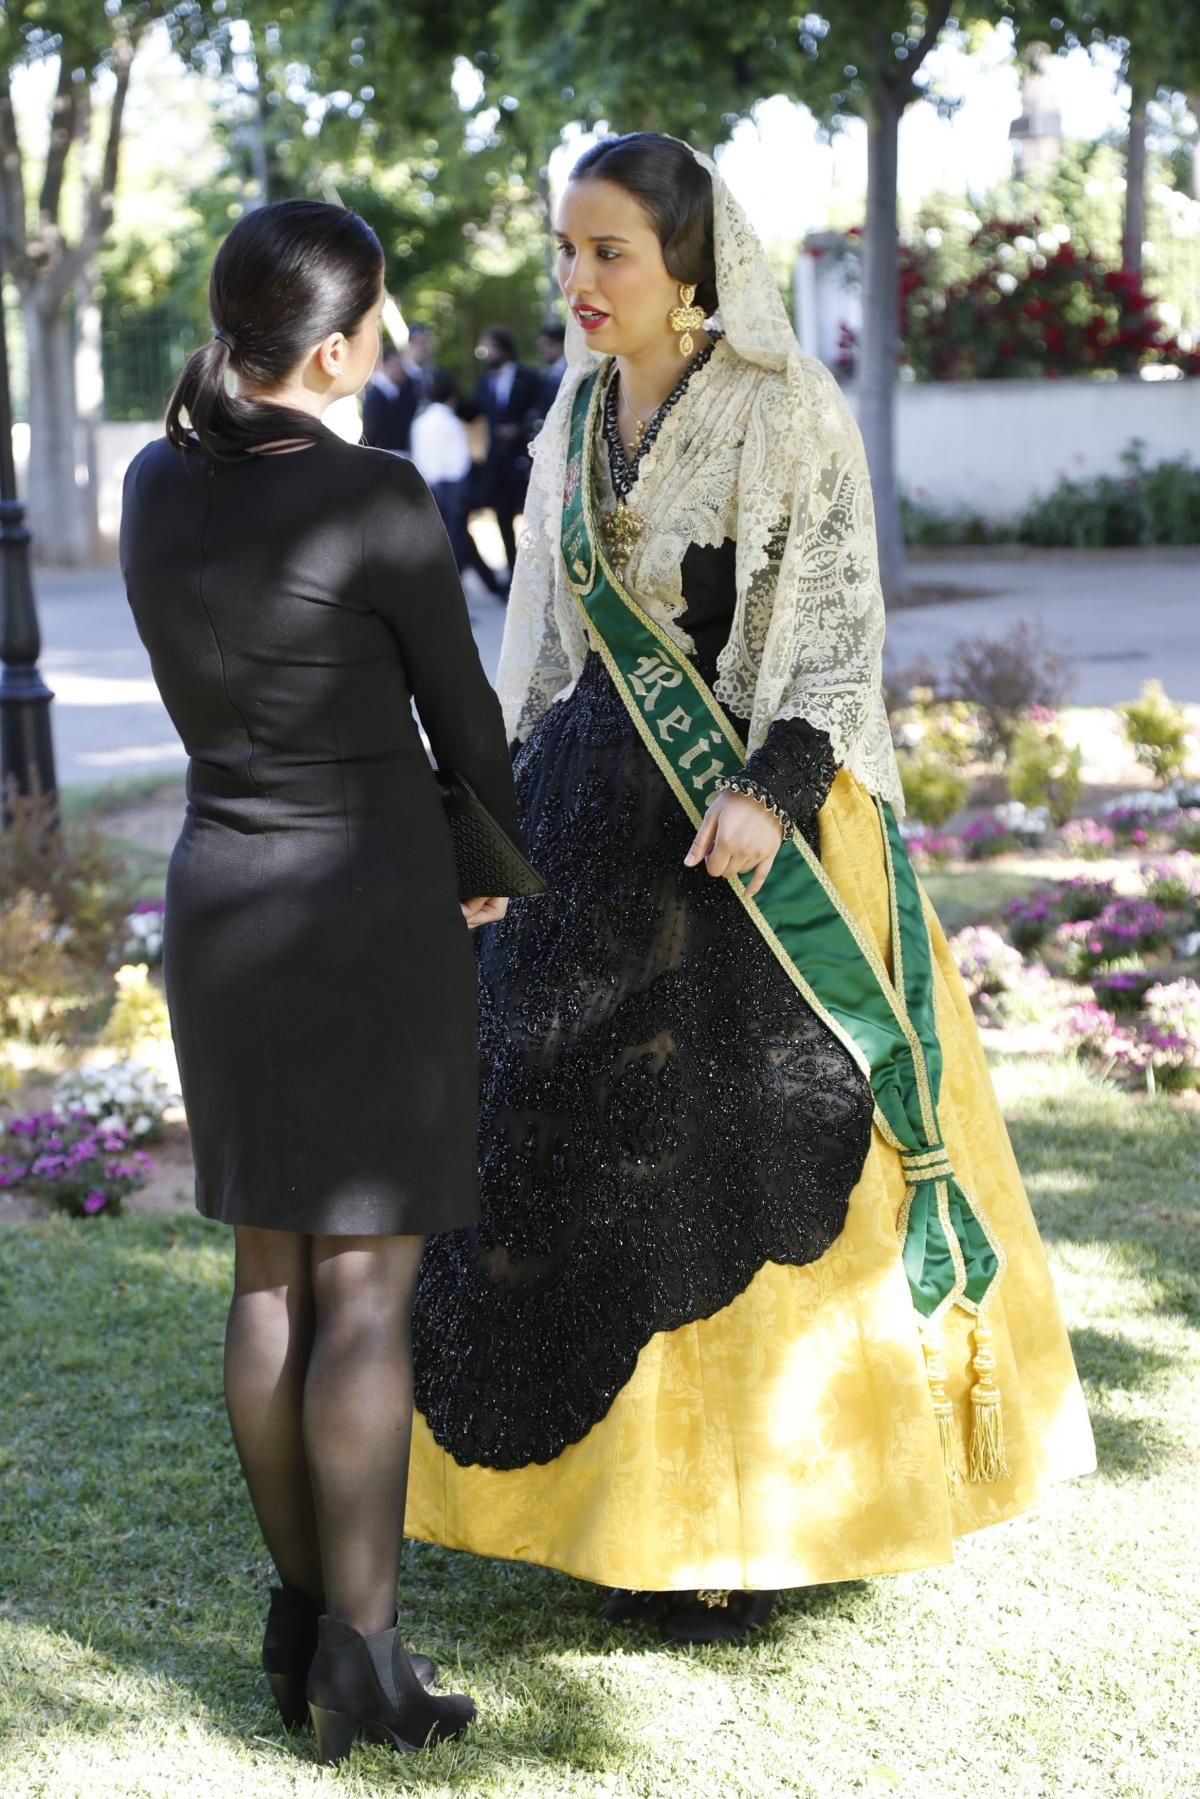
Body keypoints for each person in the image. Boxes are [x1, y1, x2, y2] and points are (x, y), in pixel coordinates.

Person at [405, 133, 1095, 1643]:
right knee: (564, 1131)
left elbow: (840, 630)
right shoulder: (580, 411)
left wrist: (770, 792)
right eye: (569, 251)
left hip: (749, 838)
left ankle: (747, 1520)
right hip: (592, 832)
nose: (578, 283)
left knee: (734, 1148)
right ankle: (604, 1504)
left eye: (610, 255)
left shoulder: (786, 411)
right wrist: (486, 821)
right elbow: (542, 638)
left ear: (690, 267)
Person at [119, 199, 517, 1757]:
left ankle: (302, 1619)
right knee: (368, 1291)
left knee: (271, 1277)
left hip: (221, 898)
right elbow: (462, 714)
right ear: (338, 347)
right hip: (365, 903)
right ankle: (366, 1654)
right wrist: (489, 852)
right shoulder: (376, 491)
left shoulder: (160, 479)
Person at [471, 325, 544, 581]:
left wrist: (520, 429)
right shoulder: (483, 382)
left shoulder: (530, 377)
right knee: (501, 516)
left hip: (524, 459)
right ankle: (514, 572)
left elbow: (542, 411)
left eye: (489, 347)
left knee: (533, 514)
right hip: (497, 463)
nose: (485, 353)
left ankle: (537, 569)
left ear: (503, 348)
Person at [411, 370, 472, 574]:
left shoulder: (420, 421)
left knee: (434, 539)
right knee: (454, 539)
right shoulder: (451, 422)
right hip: (451, 486)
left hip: (427, 484)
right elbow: (460, 460)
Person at [361, 343, 418, 454]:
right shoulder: (375, 396)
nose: (400, 370)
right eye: (396, 365)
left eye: (401, 365)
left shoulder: (402, 392)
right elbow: (370, 433)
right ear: (385, 365)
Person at [536, 320, 568, 411]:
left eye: (546, 344)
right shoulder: (550, 372)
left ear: (561, 344)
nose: (542, 350)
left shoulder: (571, 370)